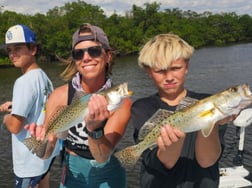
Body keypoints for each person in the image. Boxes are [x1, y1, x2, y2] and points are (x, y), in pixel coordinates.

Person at [26, 23, 132, 188]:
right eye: (78, 53)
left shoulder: (120, 101)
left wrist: (95, 130)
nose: (86, 57)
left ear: (108, 56)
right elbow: (44, 155)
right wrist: (45, 141)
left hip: (108, 175)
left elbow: (102, 157)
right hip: (72, 174)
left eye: (94, 51)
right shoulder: (59, 96)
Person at [130, 33, 234, 188]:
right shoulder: (142, 108)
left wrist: (213, 121)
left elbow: (207, 160)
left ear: (187, 66)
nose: (169, 77)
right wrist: (173, 139)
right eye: (160, 71)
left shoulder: (208, 103)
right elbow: (166, 162)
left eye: (176, 68)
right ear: (149, 71)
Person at [0, 24, 60, 188]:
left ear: (33, 49)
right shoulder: (43, 76)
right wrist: (14, 106)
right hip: (45, 154)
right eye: (9, 49)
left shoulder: (23, 82)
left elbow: (15, 127)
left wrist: (6, 118)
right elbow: (41, 104)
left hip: (29, 160)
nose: (12, 54)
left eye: (18, 48)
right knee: (44, 182)